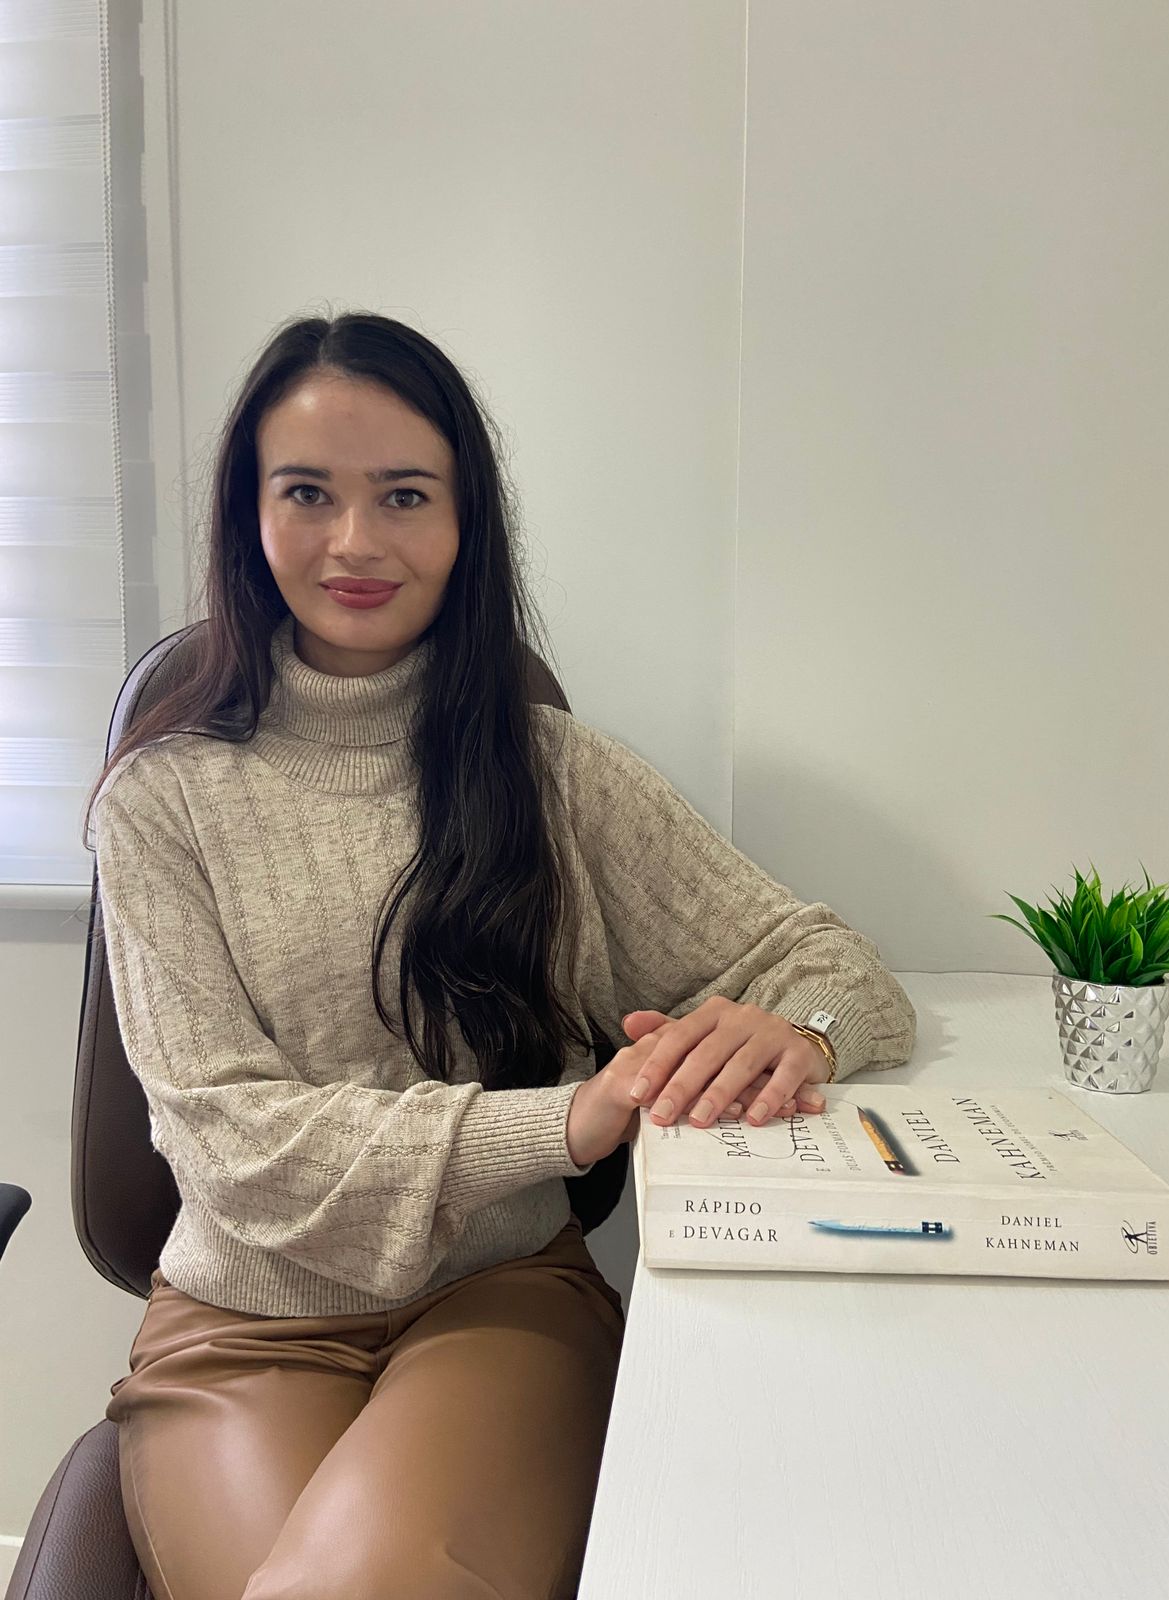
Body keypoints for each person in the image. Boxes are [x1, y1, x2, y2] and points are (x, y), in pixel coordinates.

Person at [85, 310, 918, 1600]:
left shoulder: (556, 774)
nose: (354, 542)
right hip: (243, 1328)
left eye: (404, 495)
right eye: (306, 493)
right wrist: (567, 1121)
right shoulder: (161, 801)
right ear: (249, 516)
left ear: (466, 522)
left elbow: (830, 962)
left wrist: (793, 1032)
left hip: (498, 1297)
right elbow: (225, 1138)